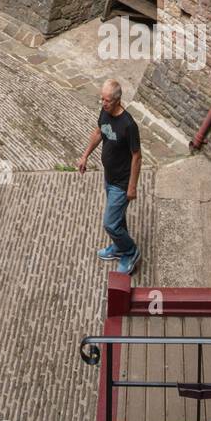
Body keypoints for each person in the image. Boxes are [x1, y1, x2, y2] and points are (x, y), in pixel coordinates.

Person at [77, 77, 142, 275]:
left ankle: (130, 252)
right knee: (118, 219)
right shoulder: (104, 112)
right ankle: (119, 246)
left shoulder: (128, 125)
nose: (103, 103)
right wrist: (85, 156)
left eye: (107, 101)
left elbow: (137, 156)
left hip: (121, 183)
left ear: (118, 100)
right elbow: (98, 133)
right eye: (102, 99)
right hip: (109, 177)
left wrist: (132, 187)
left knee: (110, 223)